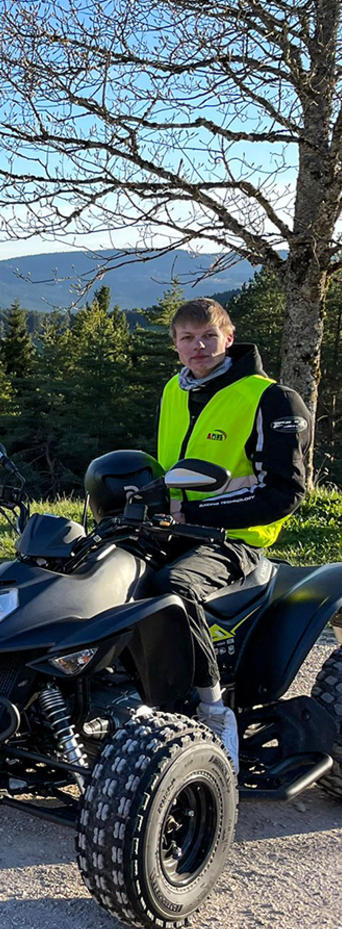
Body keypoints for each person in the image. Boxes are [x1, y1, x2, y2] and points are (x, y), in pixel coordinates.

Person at [151, 298, 311, 773]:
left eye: (208, 337)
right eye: (187, 338)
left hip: (234, 539)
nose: (199, 347)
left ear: (229, 337)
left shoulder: (271, 398)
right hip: (172, 529)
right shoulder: (174, 391)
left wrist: (198, 511)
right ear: (176, 346)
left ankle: (213, 710)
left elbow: (285, 492)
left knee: (174, 590)